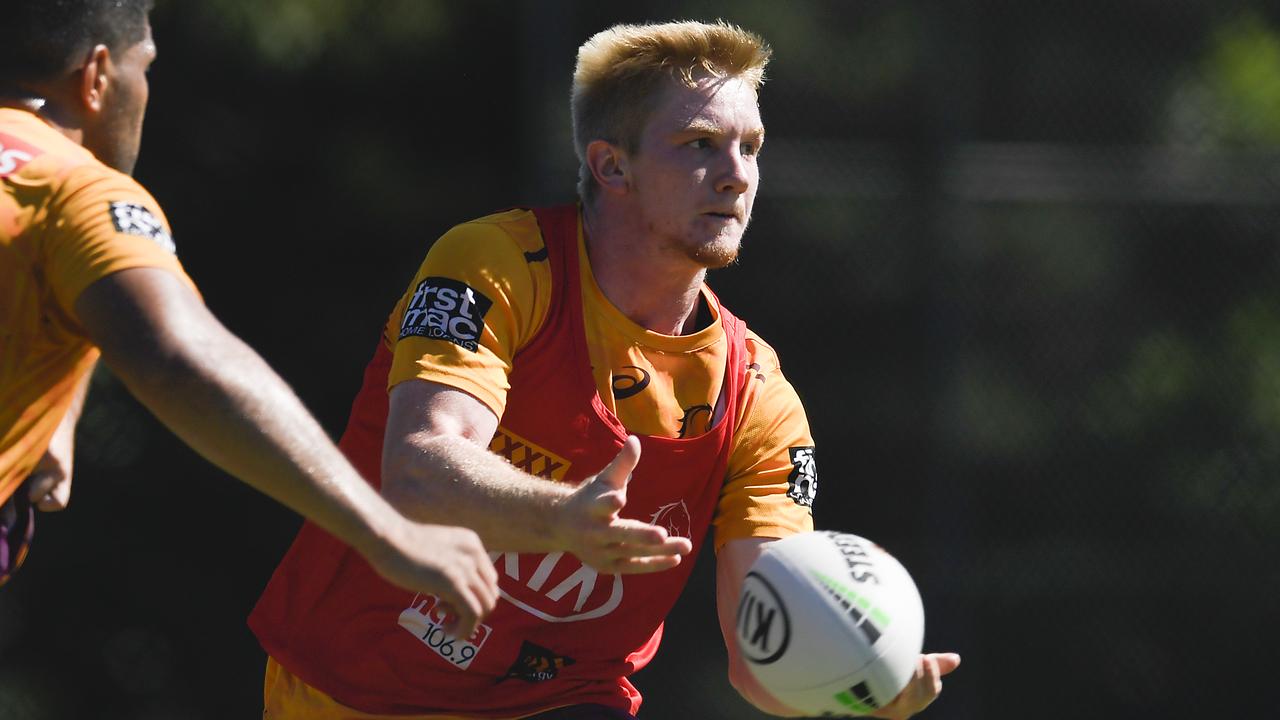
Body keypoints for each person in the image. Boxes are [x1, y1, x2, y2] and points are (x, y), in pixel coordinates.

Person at [250, 19, 959, 720]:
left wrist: (852, 687)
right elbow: (416, 472)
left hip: (563, 703)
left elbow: (761, 657)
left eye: (751, 147)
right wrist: (560, 518)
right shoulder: (497, 265)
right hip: (345, 693)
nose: (738, 174)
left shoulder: (757, 397)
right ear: (611, 165)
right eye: (700, 145)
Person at [0, 0, 497, 637]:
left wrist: (55, 407)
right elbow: (181, 357)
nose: (146, 91)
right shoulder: (74, 191)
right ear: (97, 76)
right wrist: (385, 531)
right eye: (144, 67)